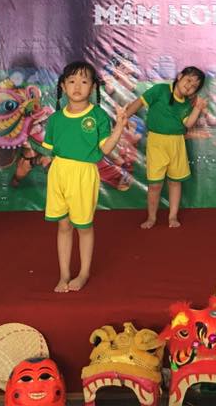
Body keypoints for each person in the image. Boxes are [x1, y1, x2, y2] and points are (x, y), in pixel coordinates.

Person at [42, 60, 126, 293]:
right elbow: (50, 151)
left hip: (84, 173)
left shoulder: (98, 115)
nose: (77, 86)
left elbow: (105, 149)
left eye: (84, 81)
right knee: (63, 224)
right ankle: (64, 274)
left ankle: (84, 272)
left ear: (93, 87)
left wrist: (119, 127)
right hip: (59, 172)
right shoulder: (55, 119)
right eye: (71, 81)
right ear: (62, 86)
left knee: (83, 226)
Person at [125, 67, 207, 229]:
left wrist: (198, 108)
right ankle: (151, 217)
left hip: (177, 143)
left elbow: (188, 124)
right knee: (155, 184)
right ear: (180, 76)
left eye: (195, 86)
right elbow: (140, 102)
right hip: (156, 142)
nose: (190, 86)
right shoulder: (160, 90)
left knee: (175, 182)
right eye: (189, 80)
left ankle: (172, 216)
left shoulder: (187, 104)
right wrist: (124, 117)